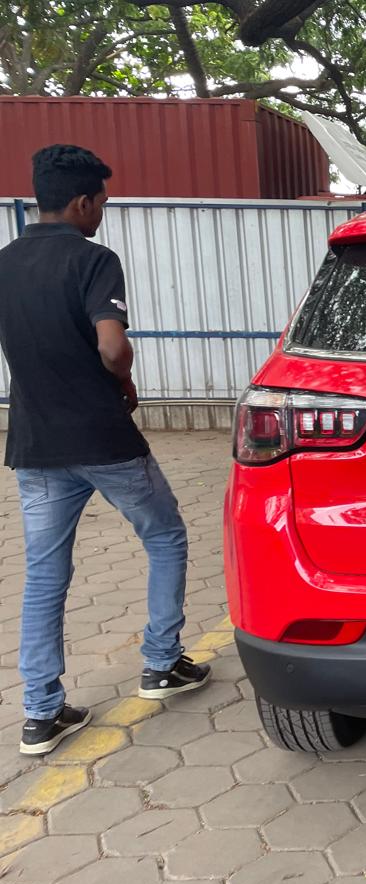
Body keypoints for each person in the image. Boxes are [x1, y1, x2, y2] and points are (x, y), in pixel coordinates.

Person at [0, 145, 209, 757]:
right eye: (102, 204)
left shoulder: (5, 262)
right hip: (103, 437)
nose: (102, 215)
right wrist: (123, 373)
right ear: (82, 201)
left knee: (44, 574)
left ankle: (42, 713)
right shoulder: (93, 260)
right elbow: (113, 348)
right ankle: (161, 664)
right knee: (165, 535)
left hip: (35, 444)